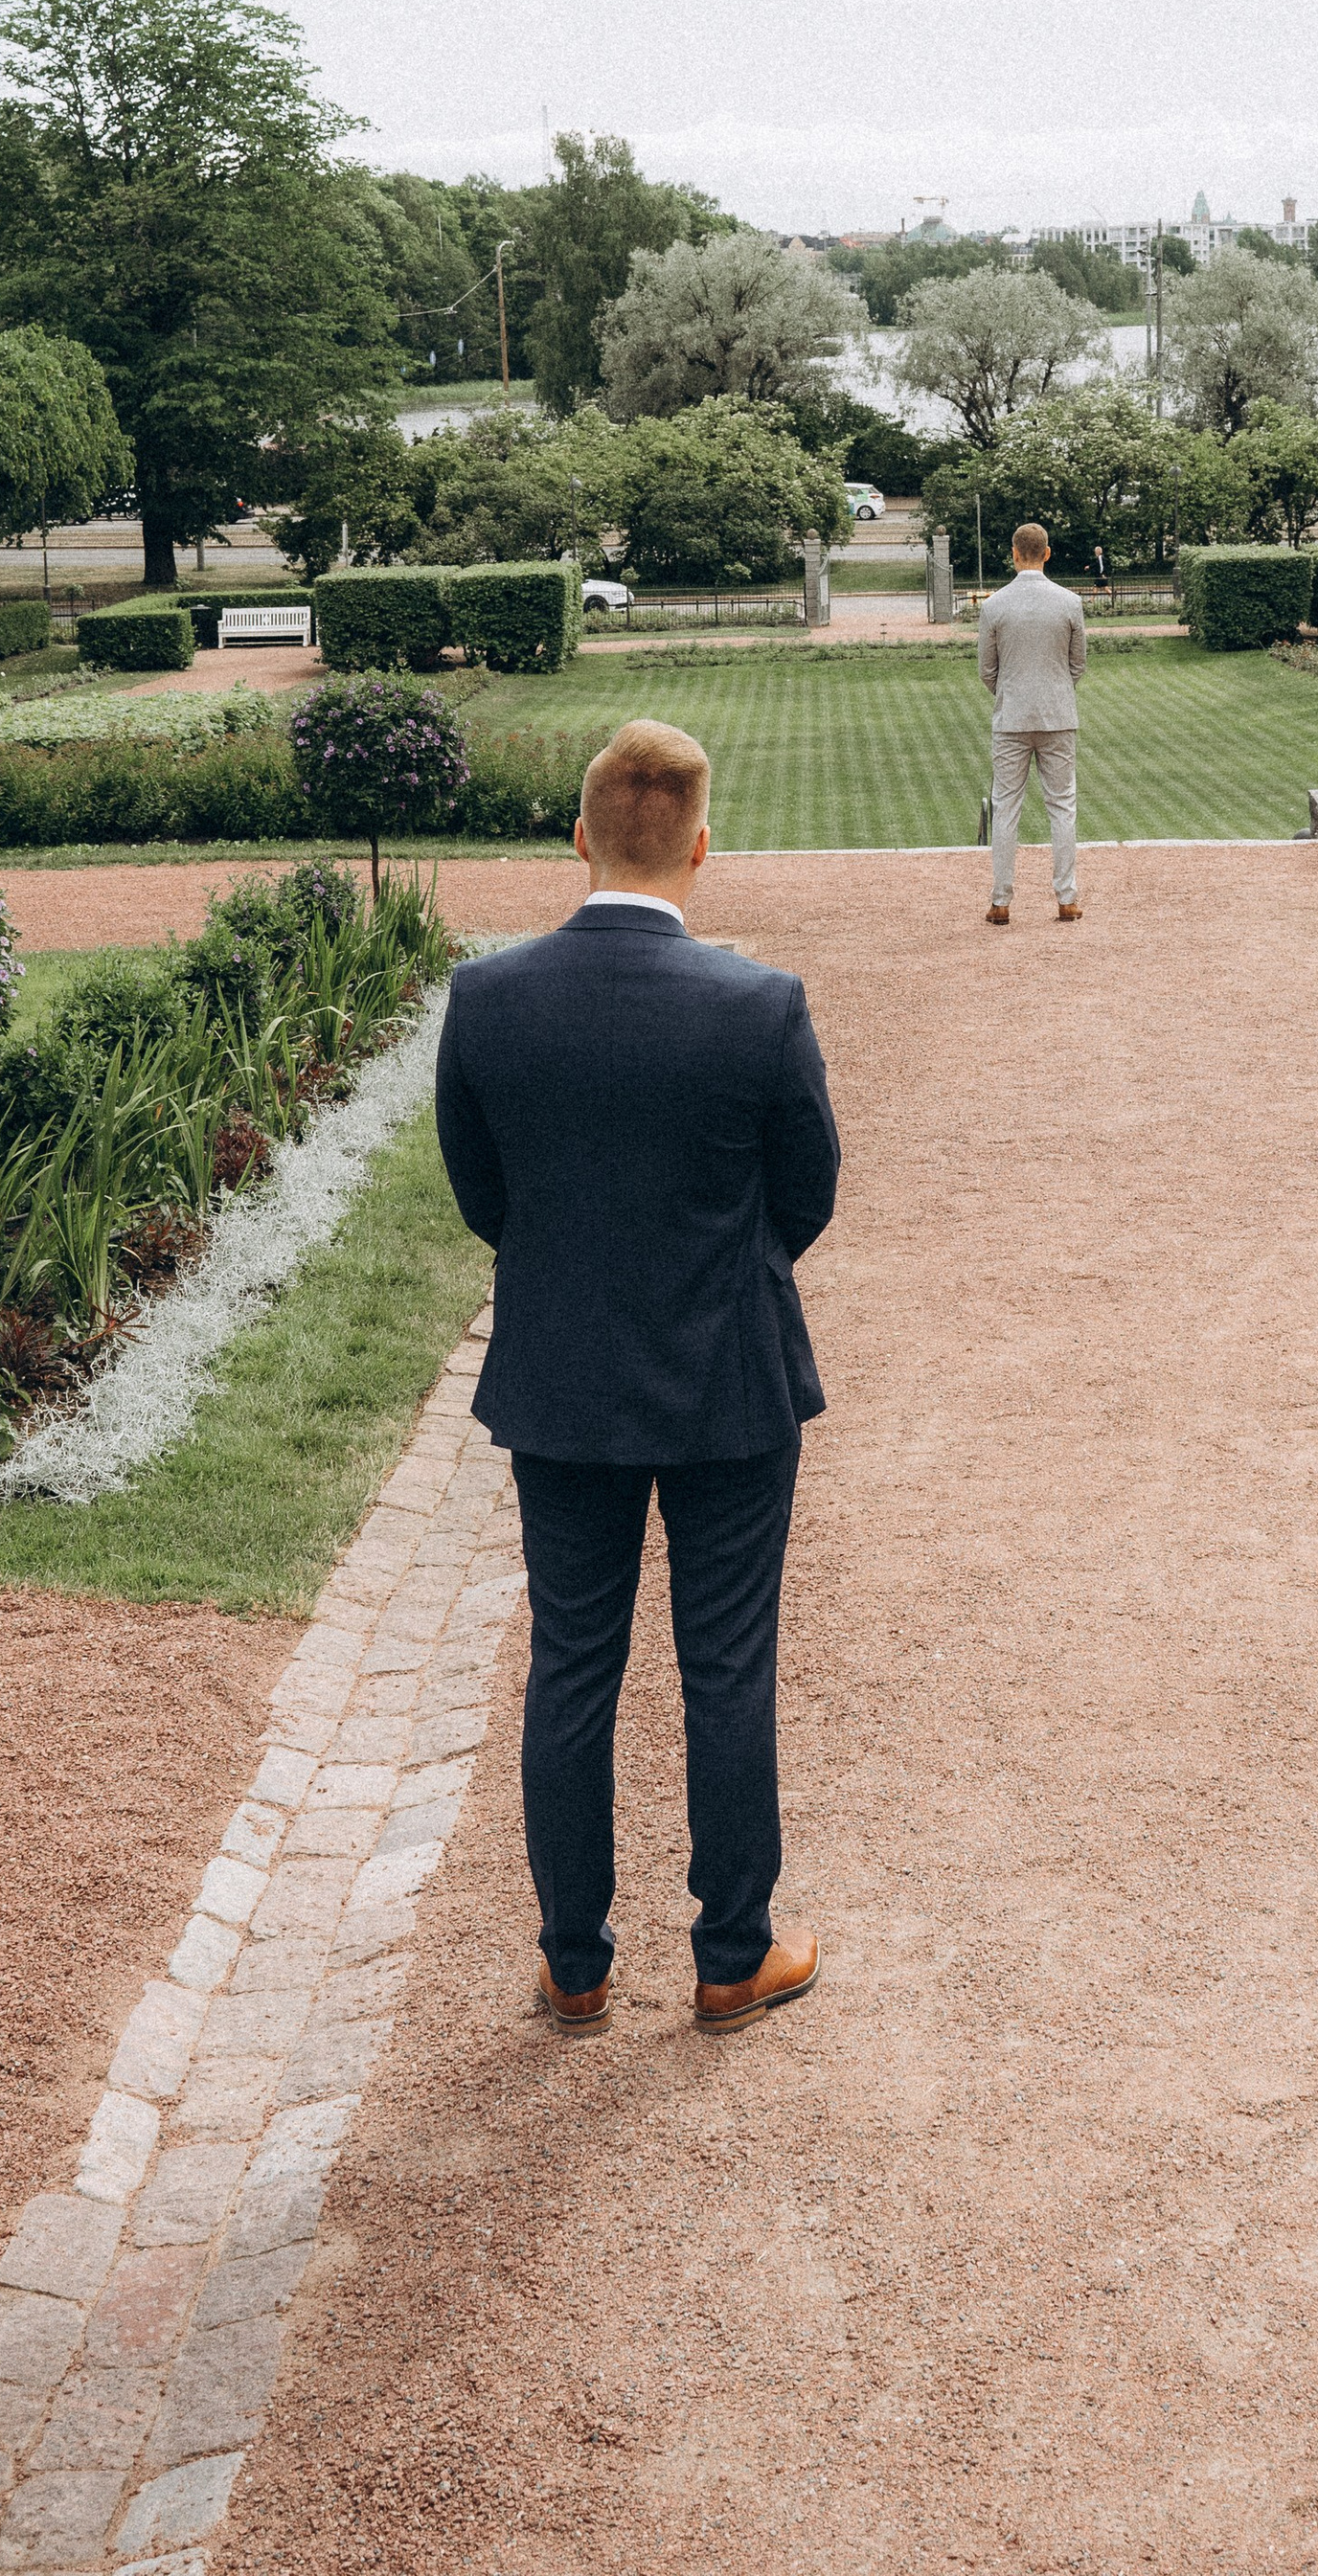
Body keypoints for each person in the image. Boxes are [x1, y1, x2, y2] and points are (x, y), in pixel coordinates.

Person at [433, 716, 839, 2039]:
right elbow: (808, 1191)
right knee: (727, 1667)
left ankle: (574, 1962)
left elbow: (484, 1197)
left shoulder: (489, 999)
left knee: (572, 1663)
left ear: (579, 838)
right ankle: (732, 1955)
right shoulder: (759, 1005)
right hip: (730, 1376)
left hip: (562, 1377)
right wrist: (721, 1272)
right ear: (702, 846)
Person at [977, 518, 1087, 926]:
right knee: (1062, 807)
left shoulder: (994, 605)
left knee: (1006, 807)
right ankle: (1067, 898)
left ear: (1014, 554)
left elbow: (987, 670)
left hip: (1012, 718)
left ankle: (1001, 901)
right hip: (1058, 715)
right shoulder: (1070, 602)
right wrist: (1055, 691)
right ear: (1047, 553)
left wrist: (1010, 694)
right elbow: (1078, 665)